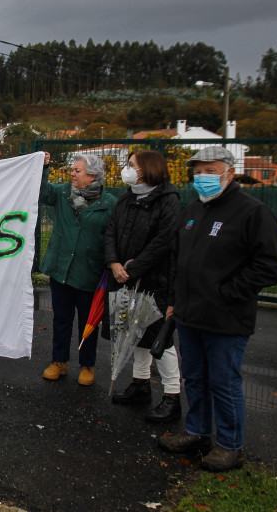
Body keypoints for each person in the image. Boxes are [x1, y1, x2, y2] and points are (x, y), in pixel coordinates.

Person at [158, 145, 277, 471]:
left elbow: (271, 267)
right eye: (198, 172)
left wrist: (228, 292)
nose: (203, 177)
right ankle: (198, 432)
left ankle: (230, 445)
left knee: (224, 382)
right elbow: (179, 260)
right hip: (189, 315)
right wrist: (175, 300)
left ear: (229, 172)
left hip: (226, 318)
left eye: (210, 171)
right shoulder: (192, 211)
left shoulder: (252, 213)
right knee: (196, 379)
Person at [105, 150, 182, 422]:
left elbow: (164, 241)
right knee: (134, 332)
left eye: (131, 165)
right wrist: (114, 262)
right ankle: (140, 384)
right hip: (125, 279)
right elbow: (111, 230)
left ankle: (172, 395)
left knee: (160, 339)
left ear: (147, 169)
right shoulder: (126, 198)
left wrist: (132, 269)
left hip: (155, 282)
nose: (127, 169)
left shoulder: (168, 201)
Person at [39, 152, 117, 385]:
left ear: (93, 176)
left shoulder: (109, 204)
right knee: (61, 318)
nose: (72, 173)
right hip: (61, 269)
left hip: (89, 273)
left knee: (88, 322)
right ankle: (58, 361)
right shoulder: (63, 192)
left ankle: (87, 365)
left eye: (77, 170)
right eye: (72, 170)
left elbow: (114, 237)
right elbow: (42, 192)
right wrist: (44, 167)